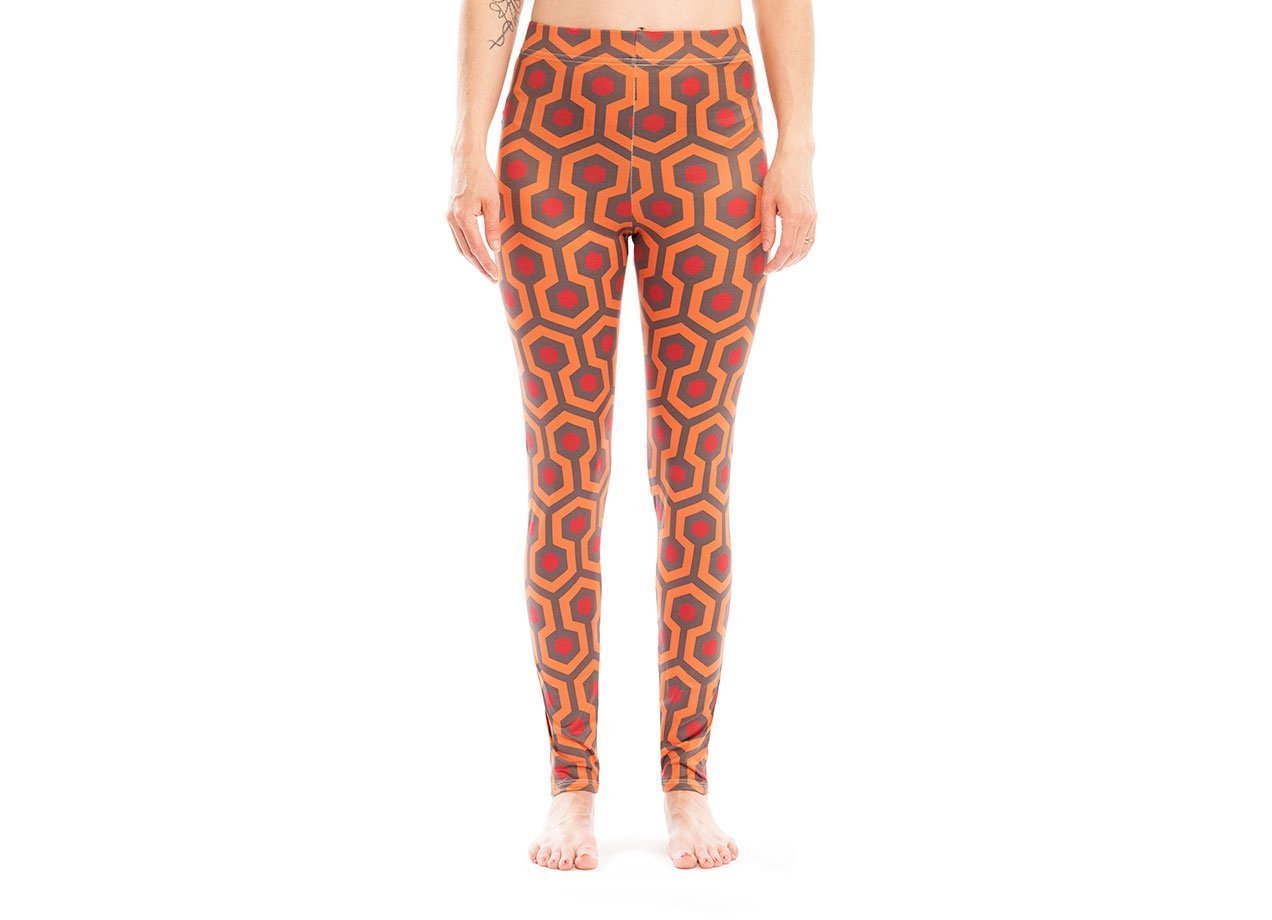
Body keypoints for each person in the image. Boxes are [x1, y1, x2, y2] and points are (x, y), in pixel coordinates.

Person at [448, 0, 816, 870]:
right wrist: (468, 146)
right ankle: (571, 781)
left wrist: (796, 146)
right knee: (564, 472)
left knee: (695, 475)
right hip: (556, 122)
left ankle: (687, 781)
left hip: (711, 120)